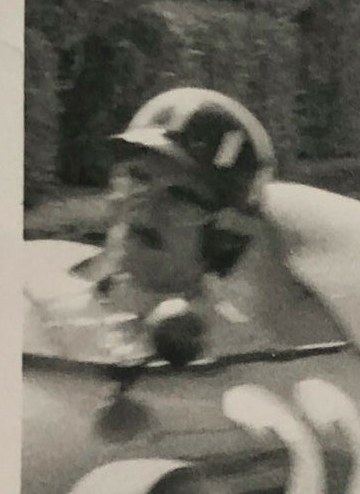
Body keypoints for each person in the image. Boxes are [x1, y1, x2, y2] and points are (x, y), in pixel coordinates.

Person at [24, 88, 275, 365]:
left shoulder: (242, 356)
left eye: (181, 195)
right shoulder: (41, 310)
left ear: (223, 236)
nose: (147, 207)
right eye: (138, 178)